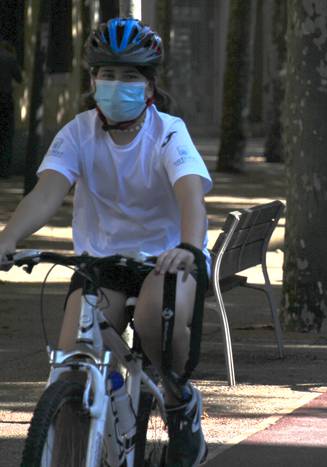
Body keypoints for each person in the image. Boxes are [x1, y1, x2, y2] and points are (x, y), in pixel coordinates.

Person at [0, 19, 211, 465]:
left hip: (167, 259)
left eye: (130, 75)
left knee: (154, 326)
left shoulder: (169, 132)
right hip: (101, 263)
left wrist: (190, 248)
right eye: (107, 74)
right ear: (93, 80)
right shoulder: (77, 132)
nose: (117, 84)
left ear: (150, 87)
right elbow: (47, 192)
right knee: (72, 361)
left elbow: (191, 196)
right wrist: (10, 236)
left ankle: (179, 400)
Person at [0, 40, 23, 177]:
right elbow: (19, 78)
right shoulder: (10, 58)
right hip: (5, 99)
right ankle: (4, 170)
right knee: (6, 134)